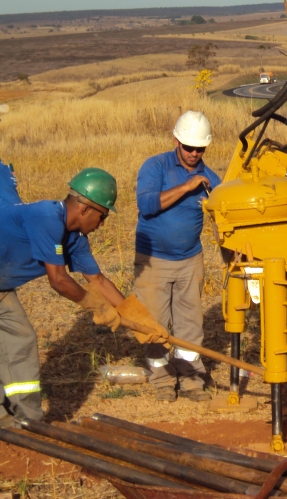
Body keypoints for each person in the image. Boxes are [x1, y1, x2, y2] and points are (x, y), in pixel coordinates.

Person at [0, 168, 131, 426]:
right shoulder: (46, 216)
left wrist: (137, 317)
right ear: (85, 209)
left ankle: (26, 420)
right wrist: (97, 307)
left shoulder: (75, 239)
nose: (102, 224)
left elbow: (98, 280)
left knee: (21, 339)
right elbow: (58, 280)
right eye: (102, 215)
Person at [134, 110, 220, 403]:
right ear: (176, 141)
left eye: (200, 148)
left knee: (190, 325)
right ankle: (162, 381)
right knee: (155, 326)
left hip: (190, 261)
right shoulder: (155, 166)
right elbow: (146, 205)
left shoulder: (211, 179)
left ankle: (192, 380)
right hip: (153, 260)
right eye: (188, 147)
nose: (194, 153)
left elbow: (224, 218)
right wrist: (187, 186)